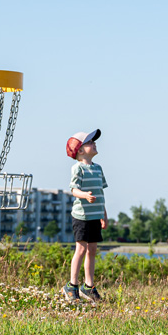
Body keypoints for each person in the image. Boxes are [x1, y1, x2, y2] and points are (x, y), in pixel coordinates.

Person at [63, 128, 108, 302]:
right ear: (80, 150)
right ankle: (72, 285)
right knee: (80, 249)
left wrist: (103, 214)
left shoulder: (98, 168)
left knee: (92, 250)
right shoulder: (78, 168)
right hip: (81, 216)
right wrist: (85, 195)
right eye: (90, 142)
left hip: (95, 215)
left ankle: (88, 287)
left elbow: (101, 193)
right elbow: (73, 190)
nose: (94, 143)